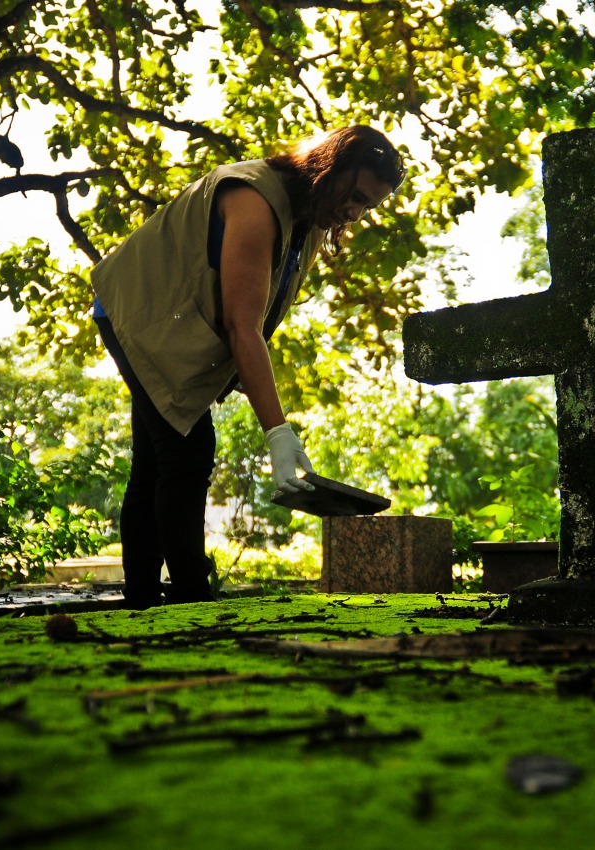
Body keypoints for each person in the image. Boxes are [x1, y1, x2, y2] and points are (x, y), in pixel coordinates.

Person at [91, 126, 406, 609]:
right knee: (186, 454)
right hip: (136, 311)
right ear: (331, 169)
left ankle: (141, 603)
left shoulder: (308, 220)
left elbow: (257, 308)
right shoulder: (255, 201)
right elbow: (242, 326)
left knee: (156, 460)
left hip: (170, 325)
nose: (355, 212)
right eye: (356, 196)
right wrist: (277, 431)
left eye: (368, 206)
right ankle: (192, 602)